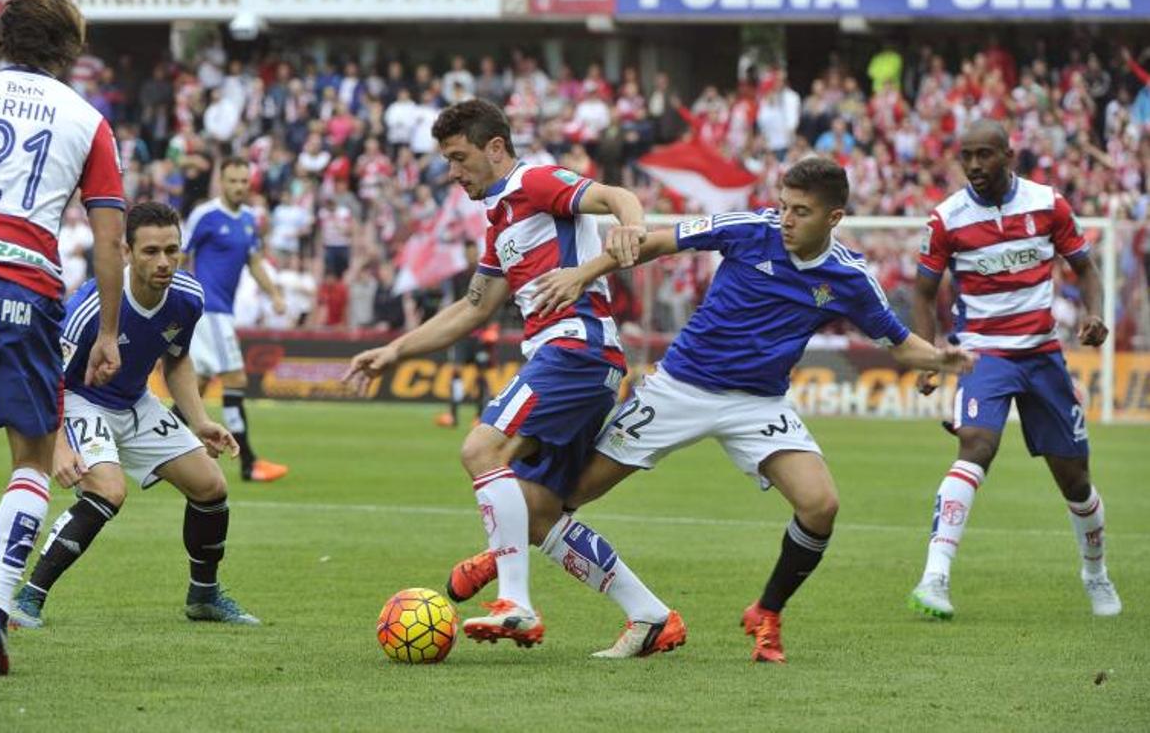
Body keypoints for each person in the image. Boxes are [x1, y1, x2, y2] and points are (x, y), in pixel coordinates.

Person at [449, 156, 975, 663]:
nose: (785, 219)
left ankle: (767, 611)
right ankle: (504, 562)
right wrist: (585, 273)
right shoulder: (750, 228)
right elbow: (655, 242)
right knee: (553, 505)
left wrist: (942, 359)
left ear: (834, 218)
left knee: (821, 505)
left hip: (758, 405)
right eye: (784, 205)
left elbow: (901, 344)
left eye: (801, 211)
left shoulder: (848, 278)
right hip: (677, 390)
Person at [344, 99, 685, 658]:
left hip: (574, 348)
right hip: (580, 359)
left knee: (482, 449)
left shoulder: (535, 182)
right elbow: (473, 309)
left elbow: (614, 195)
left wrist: (631, 226)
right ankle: (649, 616)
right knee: (537, 509)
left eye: (460, 158)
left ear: (495, 148)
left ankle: (515, 603)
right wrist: (396, 350)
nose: (453, 173)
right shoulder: (502, 219)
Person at [0, 0, 126, 676]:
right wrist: (110, 332)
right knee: (31, 457)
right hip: (25, 287)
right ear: (70, 50)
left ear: (4, 36)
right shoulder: (88, 121)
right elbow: (110, 239)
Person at [8, 202, 259, 628]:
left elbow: (176, 361)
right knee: (109, 490)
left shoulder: (188, 297)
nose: (164, 262)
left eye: (171, 250)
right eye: (150, 251)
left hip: (135, 401)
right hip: (81, 399)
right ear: (126, 252)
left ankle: (204, 597)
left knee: (211, 486)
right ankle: (27, 598)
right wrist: (59, 447)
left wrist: (200, 421)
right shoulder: (89, 308)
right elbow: (47, 379)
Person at [907, 120, 1120, 620]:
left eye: (985, 154)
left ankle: (1095, 574)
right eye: (967, 156)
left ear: (1009, 155)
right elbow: (922, 292)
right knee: (977, 444)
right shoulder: (946, 218)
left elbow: (1086, 270)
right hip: (983, 355)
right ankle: (934, 576)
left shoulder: (1048, 204)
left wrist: (1094, 314)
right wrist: (926, 355)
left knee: (1075, 481)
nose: (975, 165)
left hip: (1042, 354)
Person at [182, 156, 289, 483]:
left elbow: (254, 261)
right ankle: (248, 463)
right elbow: (181, 256)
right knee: (236, 380)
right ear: (222, 182)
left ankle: (159, 444)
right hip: (209, 309)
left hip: (223, 311)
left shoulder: (247, 220)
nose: (239, 187)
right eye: (233, 181)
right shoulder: (206, 215)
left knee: (196, 386)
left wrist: (273, 293)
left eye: (244, 181)